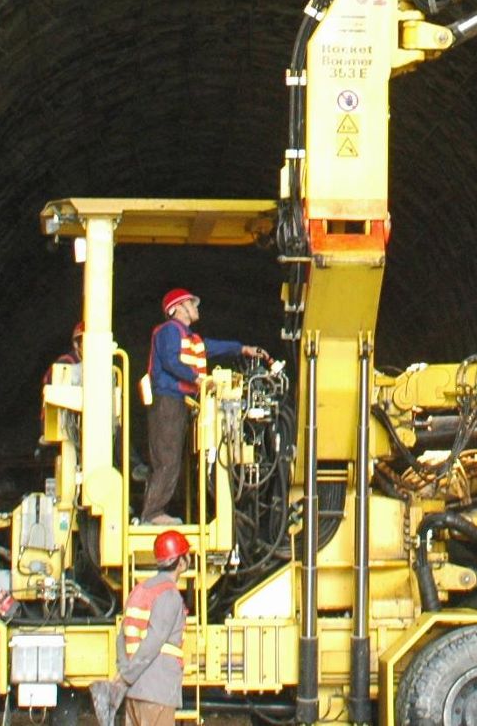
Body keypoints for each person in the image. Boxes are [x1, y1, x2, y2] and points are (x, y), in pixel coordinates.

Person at [141, 289, 268, 524]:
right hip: (167, 401)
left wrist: (242, 348)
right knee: (167, 458)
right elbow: (171, 360)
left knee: (171, 459)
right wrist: (197, 379)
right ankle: (152, 514)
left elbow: (212, 347)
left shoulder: (190, 338)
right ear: (178, 308)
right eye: (191, 303)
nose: (196, 307)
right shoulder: (169, 331)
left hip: (178, 402)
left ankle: (156, 511)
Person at [112, 530, 192, 725]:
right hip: (157, 691)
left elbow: (122, 636)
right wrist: (127, 677)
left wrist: (125, 672)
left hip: (135, 694)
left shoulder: (139, 590)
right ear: (180, 562)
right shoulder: (169, 595)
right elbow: (153, 642)